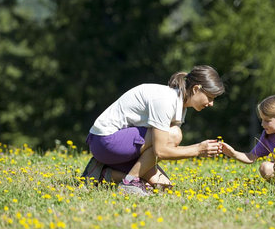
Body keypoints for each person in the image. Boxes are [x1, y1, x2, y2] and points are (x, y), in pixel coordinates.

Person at [82, 65, 225, 196]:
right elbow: (161, 150)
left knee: (163, 186)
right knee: (174, 135)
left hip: (112, 147)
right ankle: (129, 182)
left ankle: (101, 174)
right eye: (210, 97)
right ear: (195, 89)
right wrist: (199, 149)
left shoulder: (180, 105)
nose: (211, 103)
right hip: (104, 141)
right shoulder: (165, 100)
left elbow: (161, 148)